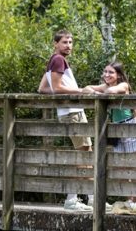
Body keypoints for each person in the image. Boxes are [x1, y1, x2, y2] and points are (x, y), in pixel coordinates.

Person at [37, 29, 95, 212]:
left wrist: (63, 90)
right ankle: (72, 198)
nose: (68, 46)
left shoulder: (54, 60)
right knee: (84, 155)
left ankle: (92, 199)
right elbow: (58, 86)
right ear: (55, 43)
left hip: (69, 112)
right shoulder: (58, 59)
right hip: (73, 111)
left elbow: (43, 89)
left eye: (70, 42)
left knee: (87, 153)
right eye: (64, 42)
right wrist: (81, 91)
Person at [84, 62, 136, 215]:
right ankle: (130, 201)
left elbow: (112, 90)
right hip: (117, 129)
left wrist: (99, 91)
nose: (107, 75)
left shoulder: (123, 85)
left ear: (118, 75)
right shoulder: (105, 86)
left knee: (134, 167)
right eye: (105, 72)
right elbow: (86, 88)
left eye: (111, 72)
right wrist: (97, 90)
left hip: (130, 126)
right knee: (122, 168)